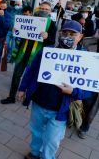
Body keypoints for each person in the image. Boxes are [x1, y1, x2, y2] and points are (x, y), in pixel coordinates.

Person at [17, 20, 94, 159]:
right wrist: (22, 88)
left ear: (80, 37)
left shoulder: (86, 59)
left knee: (52, 140)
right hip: (39, 103)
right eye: (65, 32)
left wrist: (73, 92)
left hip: (61, 110)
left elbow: (91, 89)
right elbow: (31, 70)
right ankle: (34, 153)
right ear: (59, 33)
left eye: (72, 34)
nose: (68, 36)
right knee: (36, 131)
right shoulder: (46, 51)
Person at [1, 2, 57, 104]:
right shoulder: (31, 19)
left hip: (37, 56)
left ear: (50, 12)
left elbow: (52, 42)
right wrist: (16, 30)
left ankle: (27, 98)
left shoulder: (52, 25)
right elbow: (22, 33)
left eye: (46, 9)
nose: (43, 10)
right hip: (23, 53)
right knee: (16, 75)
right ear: (39, 9)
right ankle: (11, 97)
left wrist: (47, 37)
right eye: (42, 8)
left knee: (32, 78)